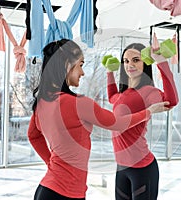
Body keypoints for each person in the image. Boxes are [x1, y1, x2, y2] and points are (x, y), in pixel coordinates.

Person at [27, 39, 171, 200]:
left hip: (47, 189)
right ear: (67, 64)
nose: (83, 72)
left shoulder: (42, 103)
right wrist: (149, 111)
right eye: (80, 65)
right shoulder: (78, 104)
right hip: (65, 193)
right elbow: (117, 123)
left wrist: (53, 165)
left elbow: (33, 136)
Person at [106, 43, 179, 200]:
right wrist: (109, 72)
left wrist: (161, 61)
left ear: (145, 62)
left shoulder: (148, 92)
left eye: (135, 60)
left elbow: (171, 101)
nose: (129, 65)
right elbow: (112, 97)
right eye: (126, 61)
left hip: (142, 168)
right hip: (121, 167)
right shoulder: (123, 94)